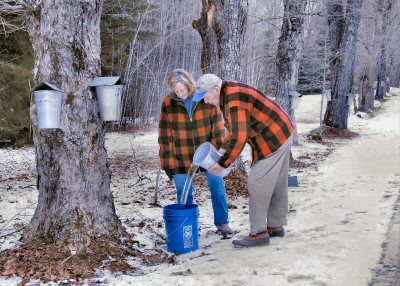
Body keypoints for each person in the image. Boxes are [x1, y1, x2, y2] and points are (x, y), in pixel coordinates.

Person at [192, 74, 294, 247]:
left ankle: (259, 233)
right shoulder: (228, 94)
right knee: (276, 181)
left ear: (216, 89)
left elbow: (240, 136)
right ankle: (275, 226)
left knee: (257, 182)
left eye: (206, 96)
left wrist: (223, 163)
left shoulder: (233, 101)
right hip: (282, 130)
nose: (206, 101)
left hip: (273, 137)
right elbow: (235, 128)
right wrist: (224, 148)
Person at [158, 69, 233, 235]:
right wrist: (168, 164)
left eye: (182, 90)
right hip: (181, 156)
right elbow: (164, 136)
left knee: (217, 186)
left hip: (206, 153)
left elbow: (218, 129)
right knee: (183, 193)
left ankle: (222, 223)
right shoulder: (169, 104)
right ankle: (188, 226)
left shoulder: (205, 98)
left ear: (189, 85)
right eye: (176, 91)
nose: (180, 94)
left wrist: (217, 157)